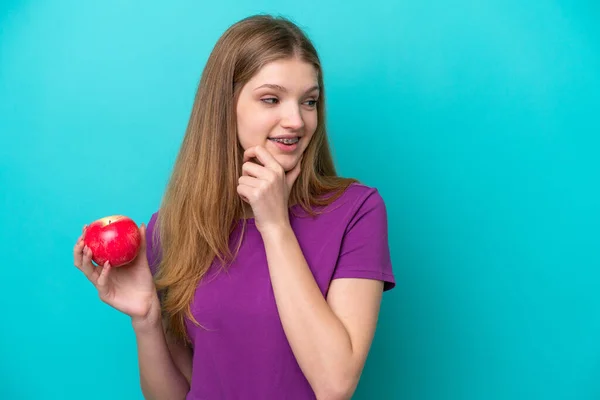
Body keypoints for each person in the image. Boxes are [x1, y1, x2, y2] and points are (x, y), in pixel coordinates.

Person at [73, 14, 395, 400]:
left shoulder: (356, 212)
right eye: (271, 99)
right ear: (226, 106)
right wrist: (146, 320)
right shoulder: (173, 230)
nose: (296, 120)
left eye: (309, 101)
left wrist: (274, 224)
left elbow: (334, 384)